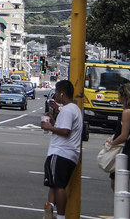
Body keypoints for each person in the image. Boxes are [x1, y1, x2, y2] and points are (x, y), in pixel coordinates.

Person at [41, 79, 83, 219]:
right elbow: (64, 128)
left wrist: (48, 127)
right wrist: (53, 122)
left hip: (60, 152)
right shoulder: (75, 109)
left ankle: (60, 216)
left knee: (58, 185)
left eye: (57, 93)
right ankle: (50, 209)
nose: (56, 96)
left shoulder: (67, 110)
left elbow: (65, 131)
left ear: (62, 94)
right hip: (70, 154)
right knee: (54, 184)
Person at [106, 82, 130, 189]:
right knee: (120, 185)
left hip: (123, 154)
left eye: (119, 95)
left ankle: (123, 205)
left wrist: (112, 143)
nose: (117, 97)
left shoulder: (126, 113)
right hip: (128, 153)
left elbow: (124, 135)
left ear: (124, 96)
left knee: (118, 186)